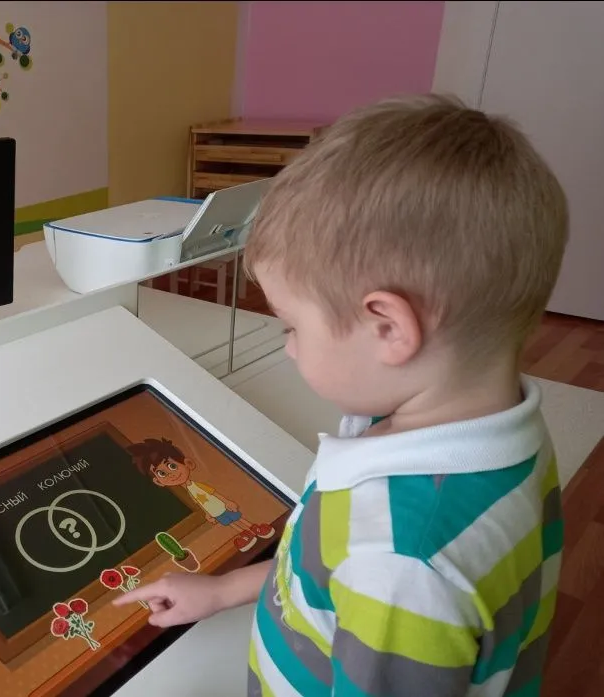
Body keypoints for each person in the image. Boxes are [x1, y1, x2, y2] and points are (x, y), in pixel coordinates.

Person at [114, 94, 568, 696]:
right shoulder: (499, 430)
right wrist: (224, 590)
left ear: (389, 329)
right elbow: (323, 575)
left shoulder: (400, 563)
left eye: (291, 326)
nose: (288, 347)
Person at [128, 437, 275, 553]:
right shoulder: (188, 492)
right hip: (214, 511)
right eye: (161, 473)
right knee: (231, 523)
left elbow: (213, 493)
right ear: (158, 482)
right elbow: (200, 502)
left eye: (172, 466)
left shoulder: (196, 485)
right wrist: (208, 514)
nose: (171, 475)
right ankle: (245, 534)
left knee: (237, 518)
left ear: (188, 463)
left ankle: (254, 528)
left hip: (221, 506)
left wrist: (227, 502)